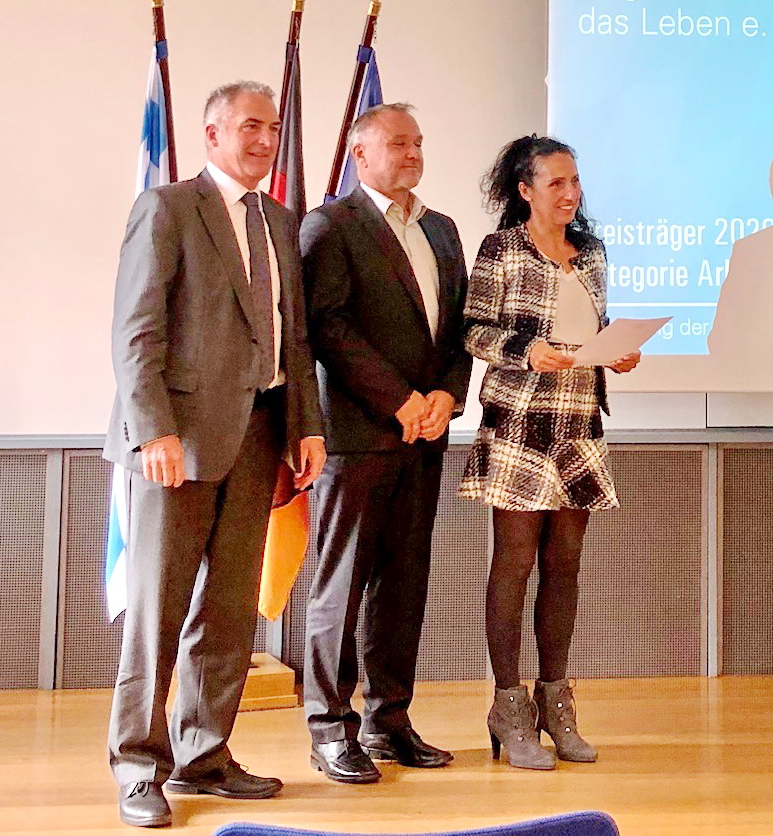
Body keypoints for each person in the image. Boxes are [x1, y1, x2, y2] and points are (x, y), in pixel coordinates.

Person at [104, 81, 326, 828]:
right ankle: (139, 766)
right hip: (177, 443)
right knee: (158, 613)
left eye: (273, 128)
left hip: (260, 439)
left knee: (229, 612)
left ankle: (204, 756)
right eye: (250, 126)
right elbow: (136, 331)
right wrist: (153, 431)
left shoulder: (281, 220)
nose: (265, 140)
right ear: (212, 134)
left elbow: (294, 338)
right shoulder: (167, 208)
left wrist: (307, 427)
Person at [300, 103, 473, 784]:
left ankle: (388, 720)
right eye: (398, 143)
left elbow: (460, 327)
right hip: (358, 436)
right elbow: (328, 327)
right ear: (360, 154)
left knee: (403, 585)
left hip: (425, 436)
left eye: (419, 142)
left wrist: (447, 395)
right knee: (340, 587)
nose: (413, 153)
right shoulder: (331, 225)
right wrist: (399, 400)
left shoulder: (441, 227)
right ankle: (329, 728)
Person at [460, 135, 642, 770]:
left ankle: (557, 702)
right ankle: (509, 708)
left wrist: (616, 351)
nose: (570, 194)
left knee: (564, 566)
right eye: (556, 183)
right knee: (514, 565)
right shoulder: (502, 249)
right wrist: (525, 349)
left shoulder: (591, 252)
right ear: (525, 190)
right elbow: (473, 330)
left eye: (575, 181)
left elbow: (591, 329)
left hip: (579, 424)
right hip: (519, 425)